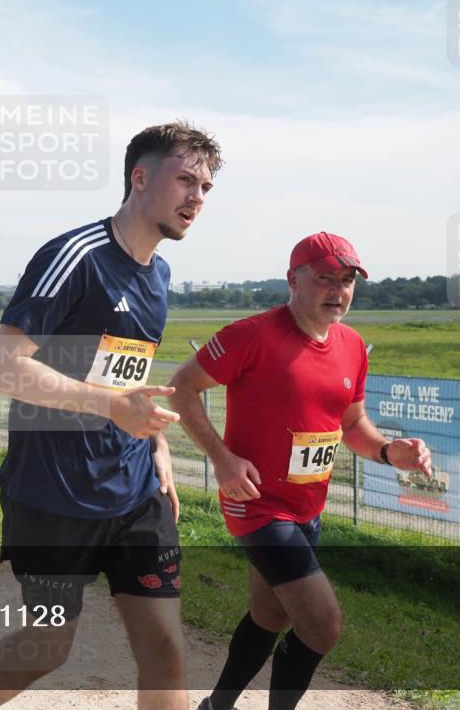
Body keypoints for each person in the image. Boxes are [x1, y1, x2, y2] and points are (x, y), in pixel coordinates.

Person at [0, 121, 224, 710]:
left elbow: (127, 374)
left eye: (206, 186)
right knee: (50, 646)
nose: (198, 197)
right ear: (140, 178)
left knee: (165, 647)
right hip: (53, 494)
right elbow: (1, 367)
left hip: (134, 492)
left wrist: (155, 446)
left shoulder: (160, 275)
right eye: (185, 180)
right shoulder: (76, 257)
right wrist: (111, 408)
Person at [166, 232, 433, 710]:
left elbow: (352, 424)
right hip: (257, 505)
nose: (338, 290)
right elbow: (181, 388)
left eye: (347, 280)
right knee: (322, 625)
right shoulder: (252, 335)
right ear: (293, 279)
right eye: (325, 278)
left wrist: (392, 452)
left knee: (269, 614)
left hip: (308, 506)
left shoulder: (351, 345)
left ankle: (215, 706)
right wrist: (222, 459)